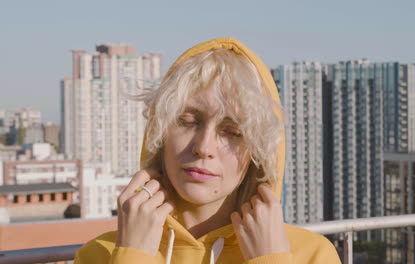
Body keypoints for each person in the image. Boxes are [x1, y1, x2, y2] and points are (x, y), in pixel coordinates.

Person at [74, 37, 341, 264]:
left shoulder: (311, 255)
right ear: (160, 132)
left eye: (232, 131)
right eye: (187, 121)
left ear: (258, 151)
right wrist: (133, 255)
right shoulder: (101, 254)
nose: (203, 148)